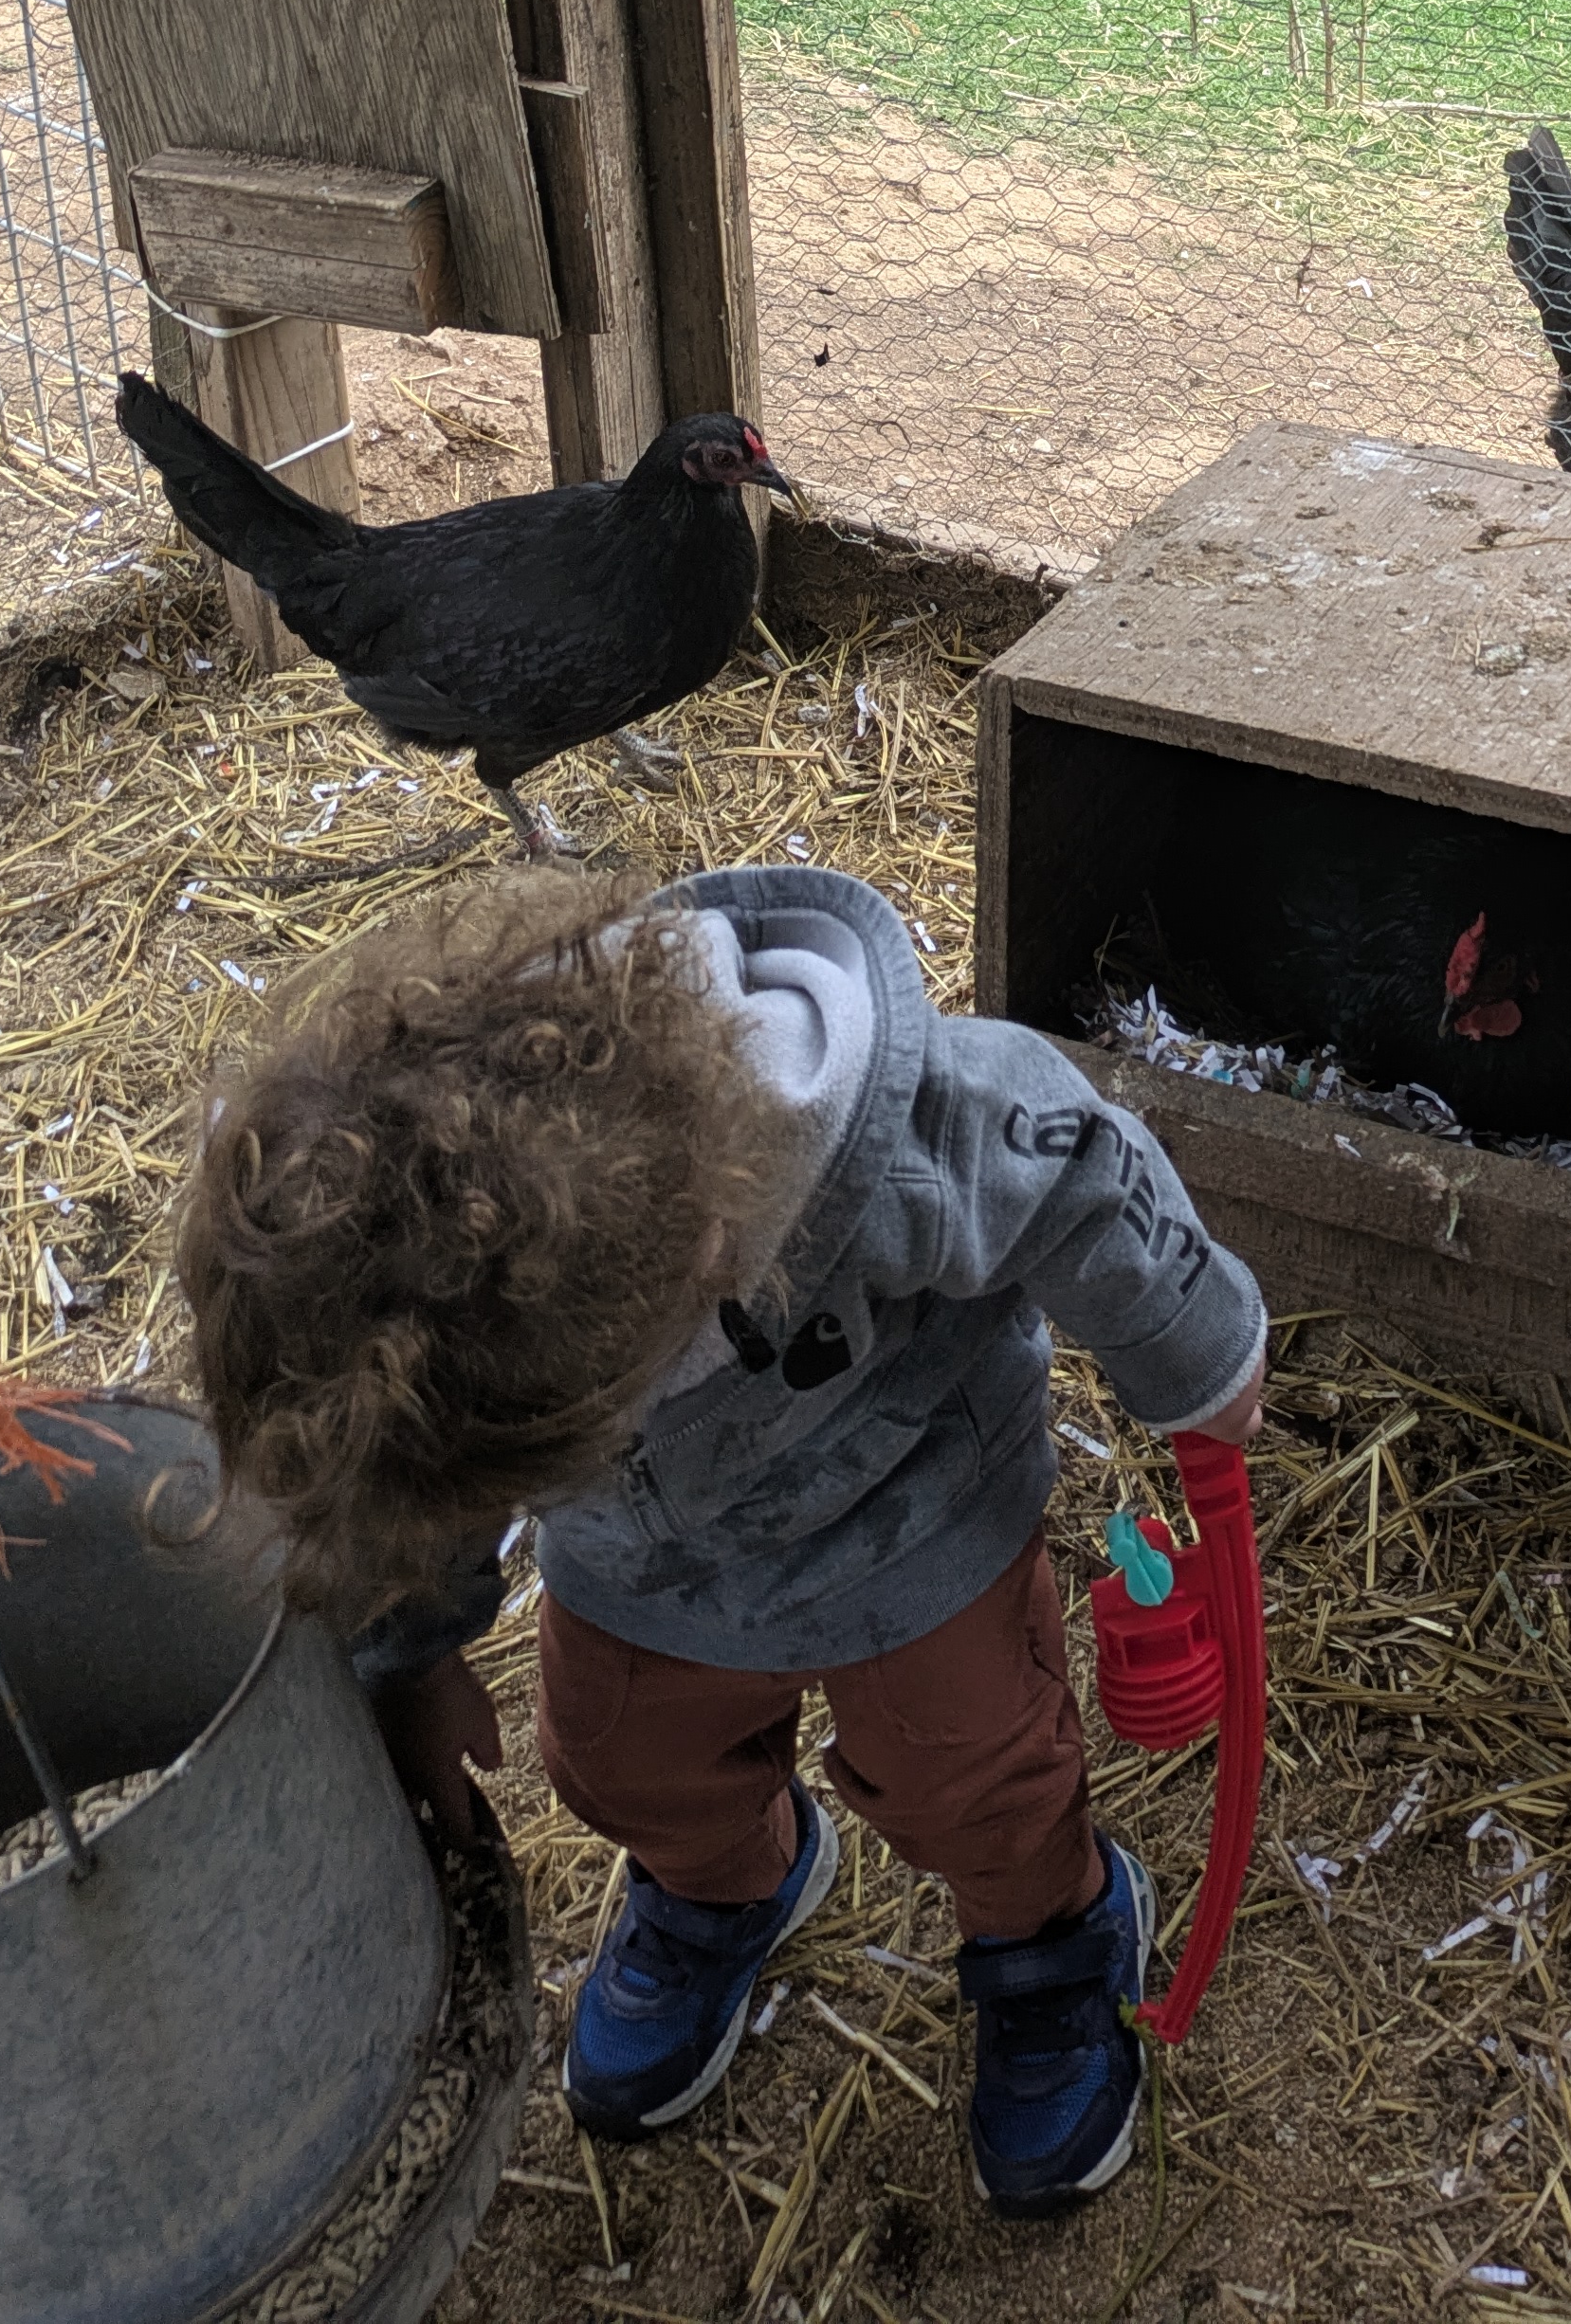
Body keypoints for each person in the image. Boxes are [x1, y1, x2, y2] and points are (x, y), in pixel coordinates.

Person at [175, 861, 1268, 2217]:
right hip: (646, 1565)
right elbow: (413, 1476)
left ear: (693, 1267)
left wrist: (1200, 1357)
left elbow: (1080, 1172)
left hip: (909, 1524)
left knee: (971, 1773)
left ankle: (1051, 1927)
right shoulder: (448, 1302)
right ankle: (725, 1881)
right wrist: (413, 1653)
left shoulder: (882, 1136)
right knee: (619, 1756)